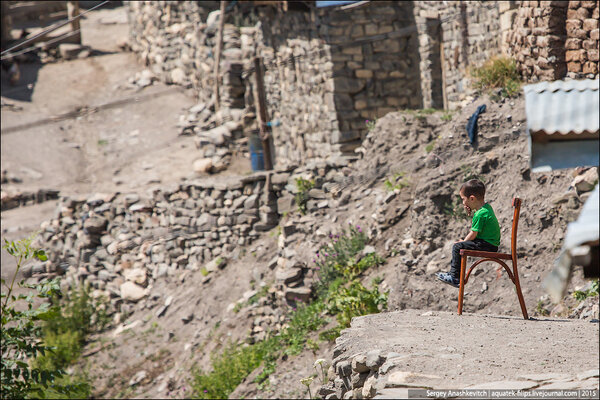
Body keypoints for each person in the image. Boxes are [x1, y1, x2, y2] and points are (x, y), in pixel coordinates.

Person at [436, 179, 500, 288]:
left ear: (472, 198)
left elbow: (473, 233)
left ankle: (454, 277)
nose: (463, 203)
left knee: (457, 247)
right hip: (490, 244)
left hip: (486, 245)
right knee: (460, 245)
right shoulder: (486, 208)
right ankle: (454, 274)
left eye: (463, 199)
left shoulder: (480, 214)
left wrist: (464, 242)